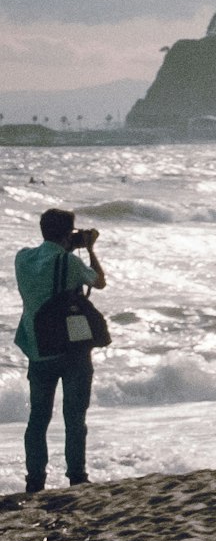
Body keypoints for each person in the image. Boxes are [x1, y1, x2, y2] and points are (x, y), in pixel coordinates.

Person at [17, 207, 102, 496]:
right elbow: (98, 281)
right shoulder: (69, 262)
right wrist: (89, 249)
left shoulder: (22, 259)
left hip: (37, 346)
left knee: (38, 418)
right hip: (72, 348)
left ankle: (35, 480)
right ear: (68, 233)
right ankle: (76, 475)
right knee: (75, 416)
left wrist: (66, 243)